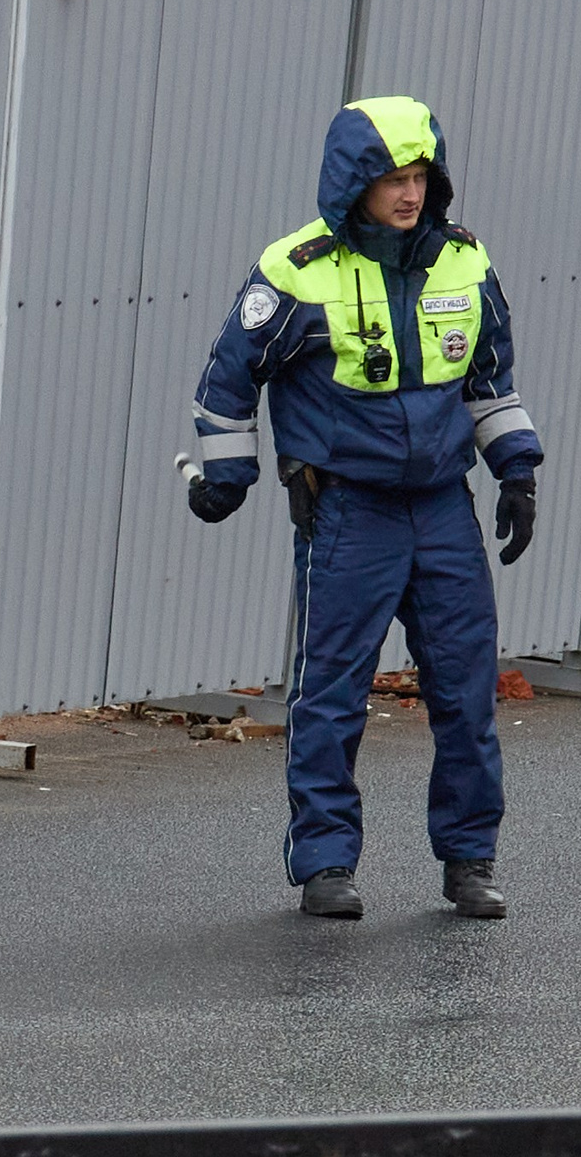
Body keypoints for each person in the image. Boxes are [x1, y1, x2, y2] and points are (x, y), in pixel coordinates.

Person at [183, 97, 542, 922]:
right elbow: (229, 379)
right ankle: (325, 863)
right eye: (392, 179)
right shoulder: (296, 269)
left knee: (464, 689)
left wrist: (517, 472)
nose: (409, 194)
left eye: (419, 177)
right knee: (334, 692)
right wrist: (225, 476)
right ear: (357, 183)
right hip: (347, 512)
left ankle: (469, 859)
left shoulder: (464, 262)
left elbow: (491, 379)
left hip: (443, 510)